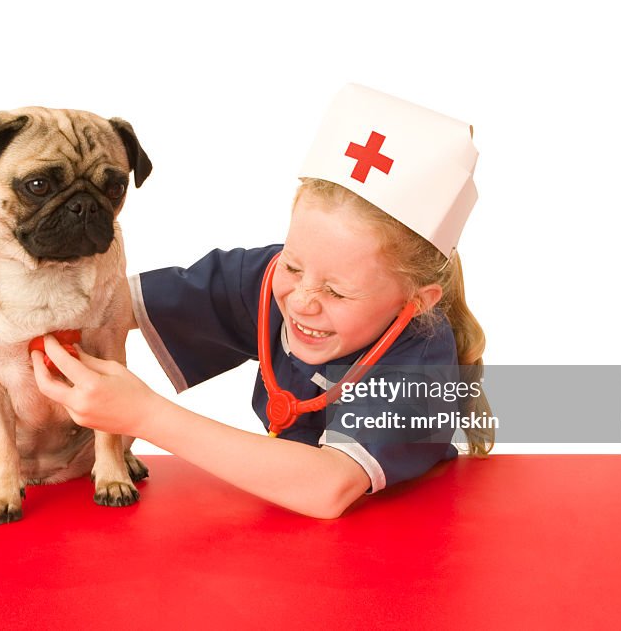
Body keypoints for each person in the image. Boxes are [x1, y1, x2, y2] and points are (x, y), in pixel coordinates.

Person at [32, 84, 494, 519]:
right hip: (280, 524)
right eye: (294, 265)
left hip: (402, 537)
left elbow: (329, 488)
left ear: (416, 300)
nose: (303, 301)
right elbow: (108, 305)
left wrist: (144, 414)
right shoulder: (271, 276)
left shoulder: (422, 360)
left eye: (336, 291)